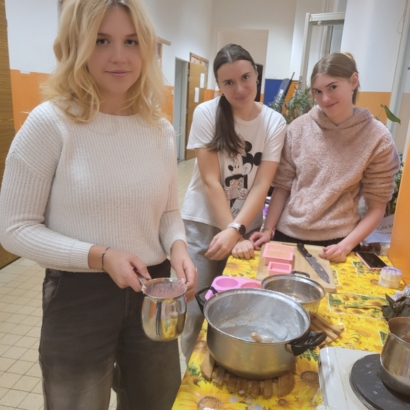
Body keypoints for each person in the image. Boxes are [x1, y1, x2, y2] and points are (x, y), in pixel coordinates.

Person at [0, 0, 197, 409]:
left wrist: (178, 247)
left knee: (156, 401)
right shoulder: (50, 123)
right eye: (101, 40)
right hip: (79, 295)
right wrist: (100, 256)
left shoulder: (159, 129)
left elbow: (167, 212)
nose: (119, 56)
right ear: (77, 46)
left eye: (131, 41)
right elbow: (15, 228)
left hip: (153, 289)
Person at [180, 44, 286, 360]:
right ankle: (193, 374)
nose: (239, 88)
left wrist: (238, 231)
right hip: (203, 224)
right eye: (229, 82)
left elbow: (262, 184)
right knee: (194, 309)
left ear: (256, 75)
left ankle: (227, 365)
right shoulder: (206, 113)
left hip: (245, 230)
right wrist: (231, 230)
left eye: (245, 77)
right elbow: (211, 181)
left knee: (238, 307)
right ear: (219, 85)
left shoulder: (274, 122)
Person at [250, 52, 400, 262]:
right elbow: (282, 187)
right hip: (287, 235)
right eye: (318, 91)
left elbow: (377, 206)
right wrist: (268, 230)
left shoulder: (377, 138)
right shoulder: (298, 128)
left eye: (333, 87)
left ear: (353, 81)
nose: (325, 99)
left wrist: (345, 246)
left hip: (340, 243)